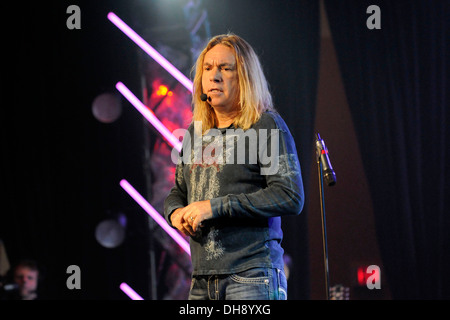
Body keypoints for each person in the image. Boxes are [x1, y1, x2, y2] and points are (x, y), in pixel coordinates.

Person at [164, 33, 304, 300]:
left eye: (225, 68)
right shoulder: (195, 133)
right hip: (201, 280)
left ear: (245, 78)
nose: (214, 76)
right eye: (208, 68)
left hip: (252, 276)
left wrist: (214, 207)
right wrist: (175, 213)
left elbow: (290, 195)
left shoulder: (265, 125)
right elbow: (177, 191)